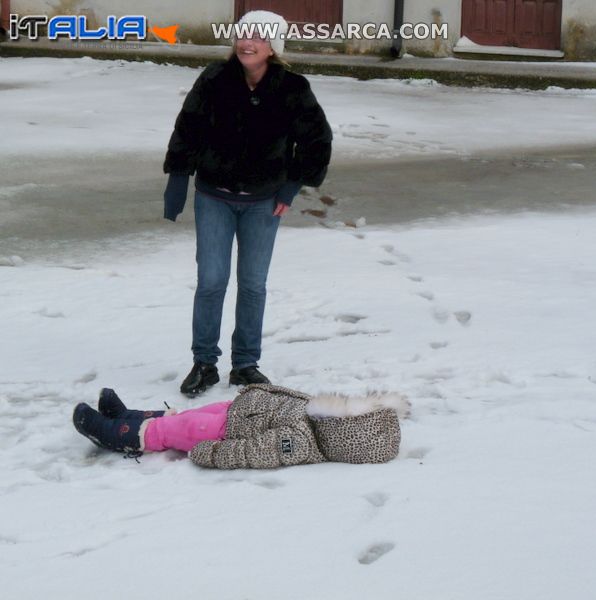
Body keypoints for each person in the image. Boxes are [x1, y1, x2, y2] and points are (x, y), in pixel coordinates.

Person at [163, 10, 333, 396]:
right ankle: (204, 363)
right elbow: (187, 128)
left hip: (264, 201)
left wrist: (291, 187)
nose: (247, 42)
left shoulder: (292, 87)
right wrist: (177, 180)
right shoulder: (214, 79)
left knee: (253, 284)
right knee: (211, 281)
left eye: (257, 36)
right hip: (214, 197)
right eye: (243, 34)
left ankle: (245, 366)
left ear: (273, 47)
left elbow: (317, 140)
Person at [72, 386, 408, 469]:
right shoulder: (315, 418)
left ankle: (123, 435)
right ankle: (131, 417)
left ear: (345, 436)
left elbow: (254, 452)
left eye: (347, 413)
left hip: (227, 434)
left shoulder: (302, 442)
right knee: (190, 414)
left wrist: (212, 454)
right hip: (239, 411)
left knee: (184, 428)